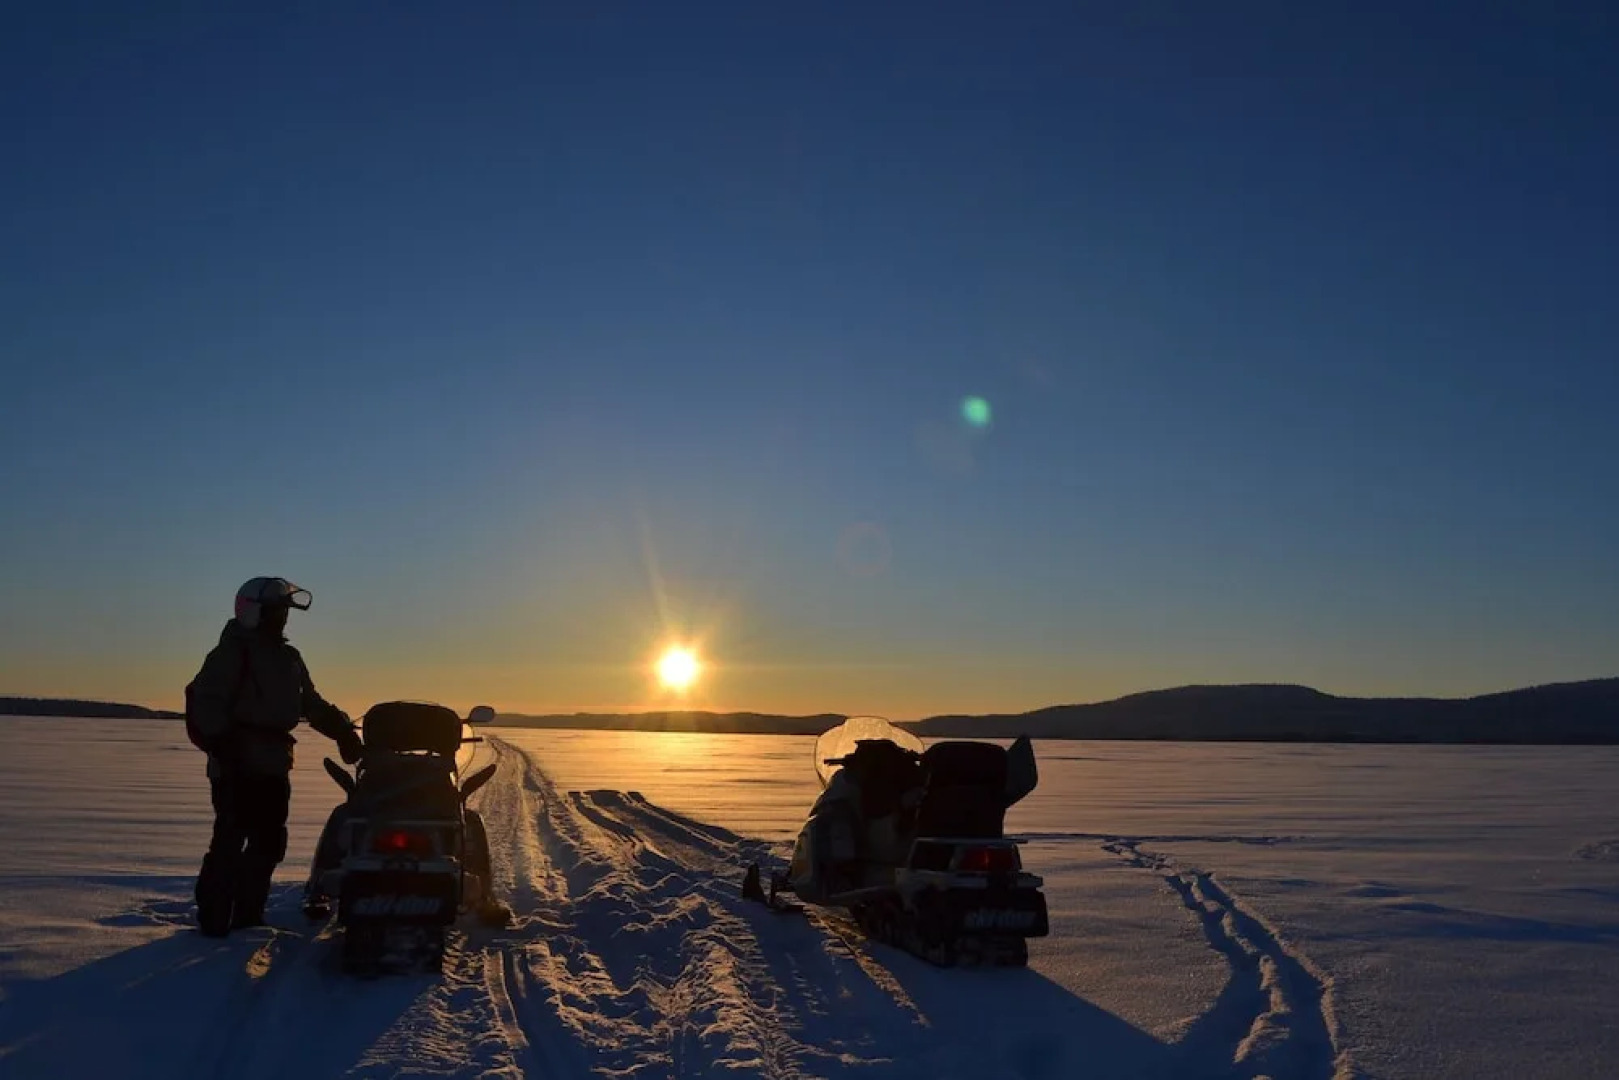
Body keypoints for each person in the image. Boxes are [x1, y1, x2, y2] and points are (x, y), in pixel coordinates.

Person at [187, 576, 364, 936]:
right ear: (255, 612)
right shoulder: (232, 652)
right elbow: (205, 701)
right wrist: (222, 744)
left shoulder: (289, 658)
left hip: (273, 764)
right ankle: (214, 919)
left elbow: (310, 704)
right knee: (229, 840)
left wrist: (343, 730)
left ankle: (249, 916)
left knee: (269, 842)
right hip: (235, 763)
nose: (283, 619)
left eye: (285, 612)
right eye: (276, 612)